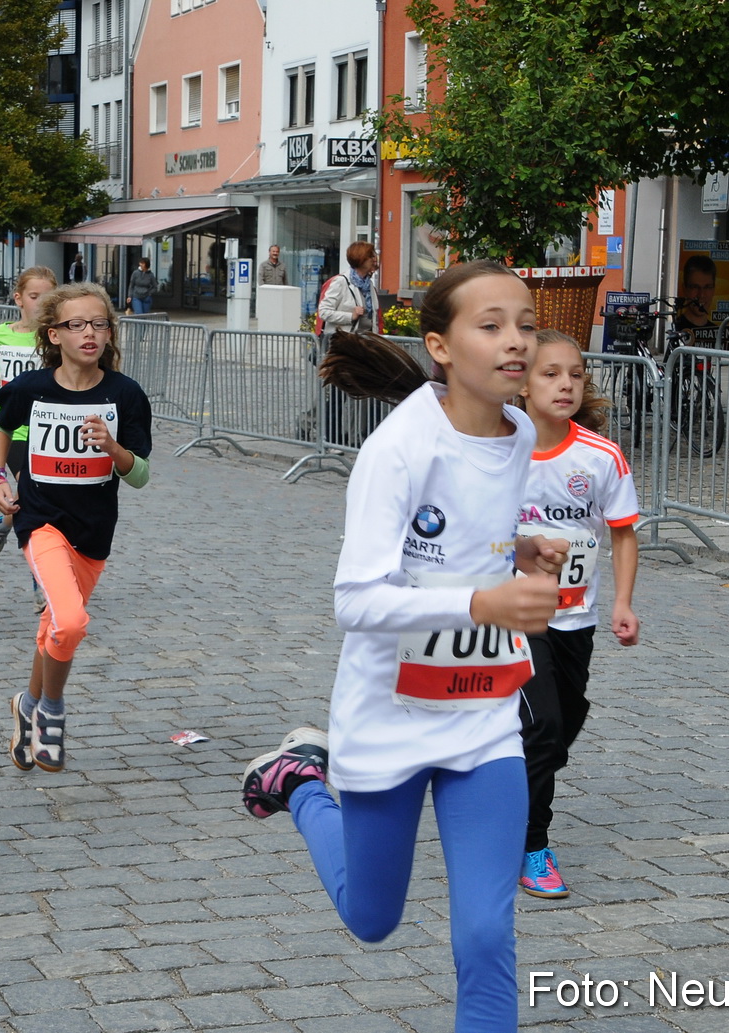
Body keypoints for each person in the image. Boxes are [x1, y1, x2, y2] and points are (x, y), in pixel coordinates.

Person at [239, 261, 570, 1033]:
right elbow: (354, 598)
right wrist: (483, 599)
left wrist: (516, 550)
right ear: (441, 346)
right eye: (490, 326)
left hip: (482, 711)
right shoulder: (398, 449)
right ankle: (298, 782)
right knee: (371, 917)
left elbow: (467, 536)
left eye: (524, 323)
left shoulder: (518, 431)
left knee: (487, 933)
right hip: (388, 712)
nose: (515, 341)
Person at [0, 283, 153, 773]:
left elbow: (140, 474)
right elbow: (2, 421)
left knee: (54, 630)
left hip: (94, 533)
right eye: (77, 325)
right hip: (39, 522)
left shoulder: (124, 394)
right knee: (72, 622)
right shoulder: (35, 387)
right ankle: (52, 712)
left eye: (100, 324)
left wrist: (114, 449)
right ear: (54, 334)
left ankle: (27, 704)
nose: (90, 334)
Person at [514, 329, 640, 899]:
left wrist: (621, 602)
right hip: (512, 615)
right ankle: (530, 845)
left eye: (577, 373)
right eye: (551, 373)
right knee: (541, 727)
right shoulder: (497, 449)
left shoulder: (600, 455)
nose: (566, 384)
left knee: (562, 727)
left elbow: (622, 534)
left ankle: (503, 786)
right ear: (521, 383)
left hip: (575, 618)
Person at [0, 267, 56, 562]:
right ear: (19, 299)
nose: (41, 303)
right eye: (35, 296)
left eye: (49, 297)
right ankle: (43, 579)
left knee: (38, 495)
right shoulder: (0, 334)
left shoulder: (55, 337)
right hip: (10, 428)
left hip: (46, 428)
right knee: (36, 494)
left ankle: (4, 523)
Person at [316, 242, 380, 343]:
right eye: (370, 256)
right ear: (360, 259)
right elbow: (324, 312)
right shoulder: (341, 282)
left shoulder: (369, 285)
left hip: (366, 343)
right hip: (344, 343)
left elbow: (374, 318)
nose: (374, 259)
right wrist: (351, 316)